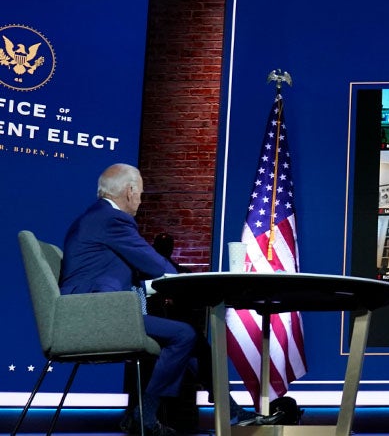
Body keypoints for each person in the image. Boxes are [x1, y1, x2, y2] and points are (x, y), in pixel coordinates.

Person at [59, 164, 276, 436]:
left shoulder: (95, 218)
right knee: (183, 335)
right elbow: (157, 266)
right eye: (140, 194)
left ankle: (229, 410)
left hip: (95, 310)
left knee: (193, 340)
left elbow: (111, 273)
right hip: (97, 316)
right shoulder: (112, 220)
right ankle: (144, 415)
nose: (140, 200)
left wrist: (157, 287)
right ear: (129, 191)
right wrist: (180, 281)